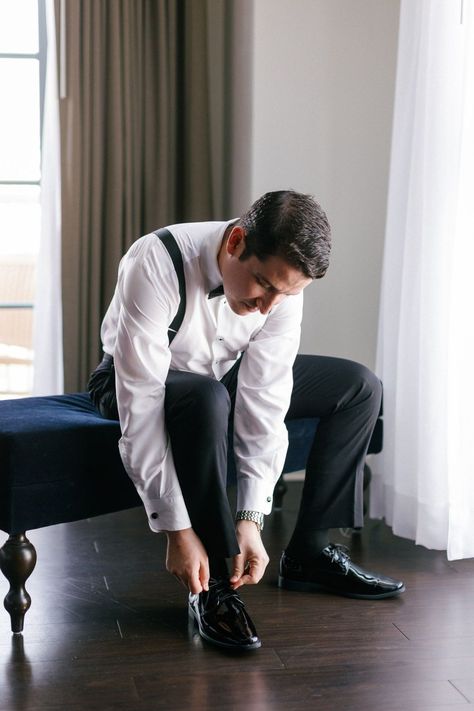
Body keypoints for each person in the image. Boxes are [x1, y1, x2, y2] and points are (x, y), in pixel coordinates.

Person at [88, 190, 404, 652]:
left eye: (286, 293)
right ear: (235, 241)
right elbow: (140, 401)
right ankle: (214, 582)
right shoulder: (155, 260)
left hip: (219, 378)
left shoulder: (281, 291)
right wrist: (176, 529)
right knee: (206, 398)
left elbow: (265, 401)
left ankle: (310, 553)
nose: (268, 306)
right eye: (262, 285)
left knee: (359, 387)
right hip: (134, 379)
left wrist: (251, 517)